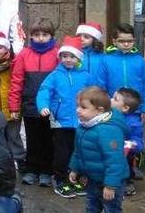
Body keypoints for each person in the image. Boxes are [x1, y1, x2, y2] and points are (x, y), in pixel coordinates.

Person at [68, 86, 133, 213]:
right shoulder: (85, 126)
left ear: (100, 110)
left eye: (83, 107)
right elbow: (79, 151)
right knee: (92, 211)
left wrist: (111, 185)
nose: (78, 110)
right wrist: (75, 169)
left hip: (111, 183)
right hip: (93, 180)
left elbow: (115, 161)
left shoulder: (107, 131)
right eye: (78, 106)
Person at [37, 37, 100, 198]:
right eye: (64, 56)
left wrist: (97, 110)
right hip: (61, 121)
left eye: (71, 56)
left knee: (78, 151)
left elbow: (94, 93)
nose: (68, 60)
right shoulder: (55, 75)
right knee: (62, 153)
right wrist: (43, 105)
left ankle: (75, 178)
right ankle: (60, 179)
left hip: (81, 121)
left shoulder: (86, 75)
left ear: (78, 58)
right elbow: (45, 90)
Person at [9, 18, 59, 187]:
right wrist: (14, 106)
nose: (41, 38)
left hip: (51, 105)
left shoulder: (57, 54)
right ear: (31, 36)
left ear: (51, 36)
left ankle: (46, 170)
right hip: (30, 103)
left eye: (45, 34)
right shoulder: (24, 54)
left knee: (48, 139)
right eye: (37, 35)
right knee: (32, 138)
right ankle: (32, 169)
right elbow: (17, 80)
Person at [97, 23, 145, 125]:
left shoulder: (140, 61)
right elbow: (101, 86)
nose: (126, 44)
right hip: (113, 111)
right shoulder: (106, 60)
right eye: (122, 41)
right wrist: (104, 106)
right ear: (114, 41)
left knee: (135, 138)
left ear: (134, 40)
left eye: (130, 41)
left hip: (136, 111)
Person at [111, 88, 144, 196]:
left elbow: (139, 143)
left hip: (124, 153)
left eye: (115, 99)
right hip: (109, 149)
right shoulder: (109, 115)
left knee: (126, 163)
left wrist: (131, 144)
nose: (111, 100)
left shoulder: (134, 124)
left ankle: (126, 182)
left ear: (125, 108)